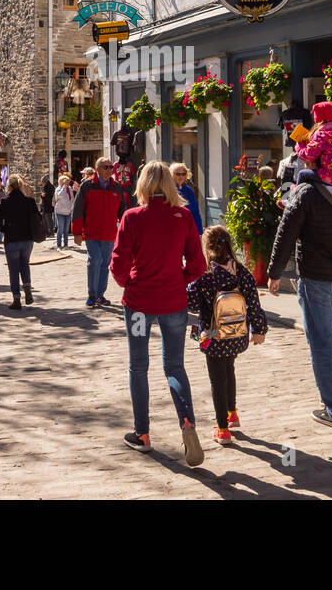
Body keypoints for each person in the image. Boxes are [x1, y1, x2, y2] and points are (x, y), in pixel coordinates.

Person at [110, 161, 206, 465]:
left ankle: (143, 434)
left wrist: (129, 283)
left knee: (138, 366)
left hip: (139, 305)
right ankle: (187, 423)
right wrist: (180, 279)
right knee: (175, 367)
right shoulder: (183, 216)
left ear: (143, 184)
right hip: (173, 302)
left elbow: (118, 263)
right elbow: (198, 264)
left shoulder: (132, 217)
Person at [265, 160, 332, 428]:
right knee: (328, 330)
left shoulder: (306, 191)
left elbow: (286, 232)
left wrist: (275, 272)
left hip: (317, 277)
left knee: (320, 339)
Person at [188, 225, 268, 446]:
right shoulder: (242, 272)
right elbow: (253, 304)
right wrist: (259, 329)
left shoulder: (205, 276)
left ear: (207, 247)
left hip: (213, 336)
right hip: (237, 336)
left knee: (217, 380)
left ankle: (222, 428)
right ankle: (232, 413)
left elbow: (192, 304)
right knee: (229, 369)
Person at [71, 157, 130, 308]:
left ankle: (100, 295)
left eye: (111, 167)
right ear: (97, 169)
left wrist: (126, 233)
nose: (109, 170)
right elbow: (78, 209)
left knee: (105, 264)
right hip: (92, 233)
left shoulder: (116, 187)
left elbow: (122, 212)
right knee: (94, 261)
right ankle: (91, 295)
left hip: (110, 234)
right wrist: (77, 232)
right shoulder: (87, 186)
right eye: (106, 167)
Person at [0, 174, 39, 310]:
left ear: (8, 187)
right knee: (24, 264)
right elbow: (37, 217)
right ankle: (27, 286)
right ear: (21, 186)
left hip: (11, 239)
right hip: (26, 238)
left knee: (13, 269)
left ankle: (16, 298)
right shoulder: (29, 201)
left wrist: (5, 229)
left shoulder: (4, 202)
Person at [294, 100, 332, 188]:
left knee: (302, 174)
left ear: (318, 118)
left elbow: (309, 155)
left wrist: (299, 144)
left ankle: (293, 198)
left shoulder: (322, 135)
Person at [171, 162, 203, 235]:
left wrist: (199, 231)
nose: (181, 176)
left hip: (187, 229)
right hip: (173, 229)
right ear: (171, 175)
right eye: (178, 174)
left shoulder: (189, 191)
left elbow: (195, 211)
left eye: (183, 174)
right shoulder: (168, 190)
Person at [52, 173, 75, 249]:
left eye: (68, 181)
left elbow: (72, 199)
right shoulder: (58, 189)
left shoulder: (70, 189)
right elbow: (60, 195)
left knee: (66, 230)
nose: (68, 182)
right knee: (60, 229)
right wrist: (64, 186)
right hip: (60, 212)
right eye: (66, 181)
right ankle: (59, 245)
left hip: (67, 212)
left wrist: (71, 209)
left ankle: (66, 245)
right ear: (61, 181)